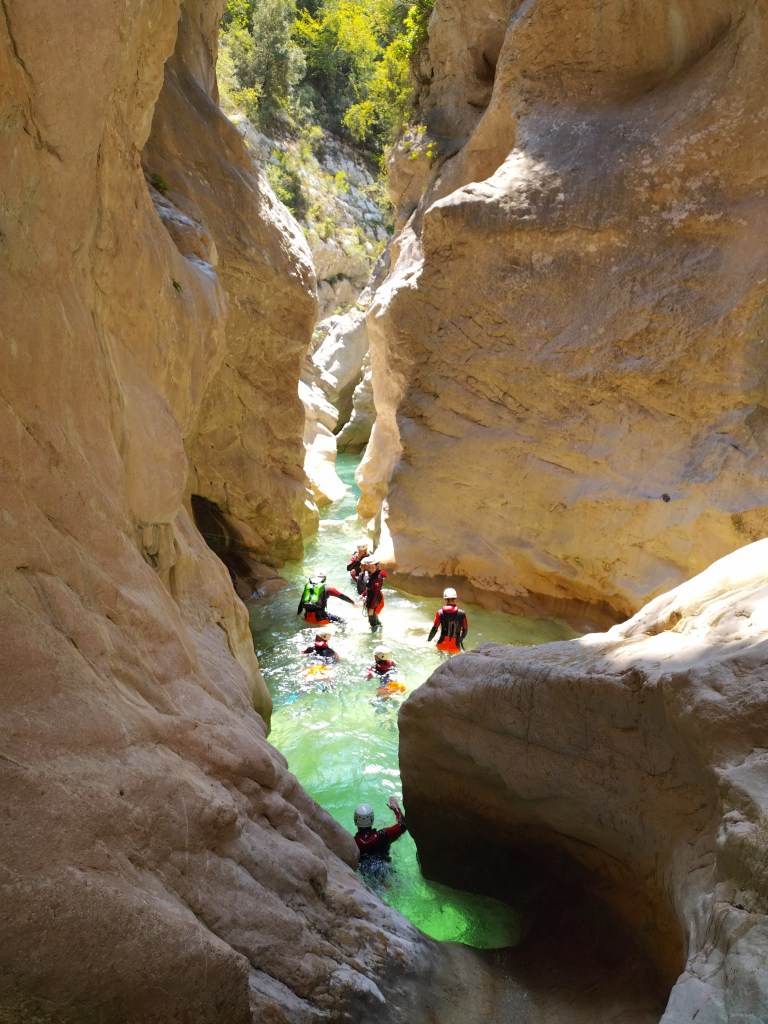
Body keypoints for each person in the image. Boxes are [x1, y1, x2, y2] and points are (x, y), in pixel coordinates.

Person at [353, 796, 407, 863]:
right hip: (386, 870)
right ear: (372, 819)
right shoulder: (384, 835)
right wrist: (396, 809)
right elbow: (404, 825)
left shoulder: (353, 843)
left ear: (355, 820)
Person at [428, 587, 468, 652]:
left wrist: (429, 640)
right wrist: (460, 639)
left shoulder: (440, 613)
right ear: (455, 598)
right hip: (455, 646)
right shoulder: (462, 613)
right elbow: (465, 631)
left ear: (445, 599)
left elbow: (434, 629)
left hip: (442, 643)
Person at [360, 555, 386, 632]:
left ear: (377, 566)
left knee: (372, 620)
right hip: (370, 598)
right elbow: (369, 588)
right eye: (369, 567)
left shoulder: (377, 578)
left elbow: (375, 593)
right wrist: (363, 594)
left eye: (372, 567)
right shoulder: (372, 574)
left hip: (374, 600)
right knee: (374, 617)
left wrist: (371, 608)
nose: (370, 569)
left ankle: (375, 633)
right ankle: (380, 626)